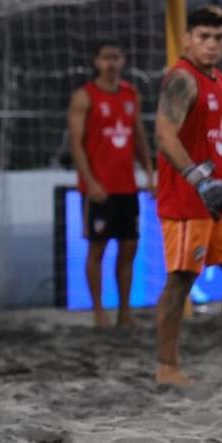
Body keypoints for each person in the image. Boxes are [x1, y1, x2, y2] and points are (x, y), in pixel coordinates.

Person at [153, 5, 222, 386]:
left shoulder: (216, 78)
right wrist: (198, 179)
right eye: (203, 36)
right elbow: (163, 134)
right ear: (188, 38)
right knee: (180, 281)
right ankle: (167, 366)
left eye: (218, 37)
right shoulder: (182, 79)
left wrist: (216, 182)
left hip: (217, 200)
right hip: (188, 202)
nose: (211, 44)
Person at [66, 41, 155, 328]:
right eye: (106, 58)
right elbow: (76, 145)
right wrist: (89, 182)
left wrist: (150, 173)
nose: (111, 63)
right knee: (98, 249)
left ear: (123, 60)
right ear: (96, 62)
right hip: (99, 189)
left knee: (129, 247)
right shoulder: (85, 96)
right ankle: (98, 312)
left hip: (126, 186)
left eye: (116, 57)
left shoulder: (131, 94)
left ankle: (125, 311)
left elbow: (139, 136)